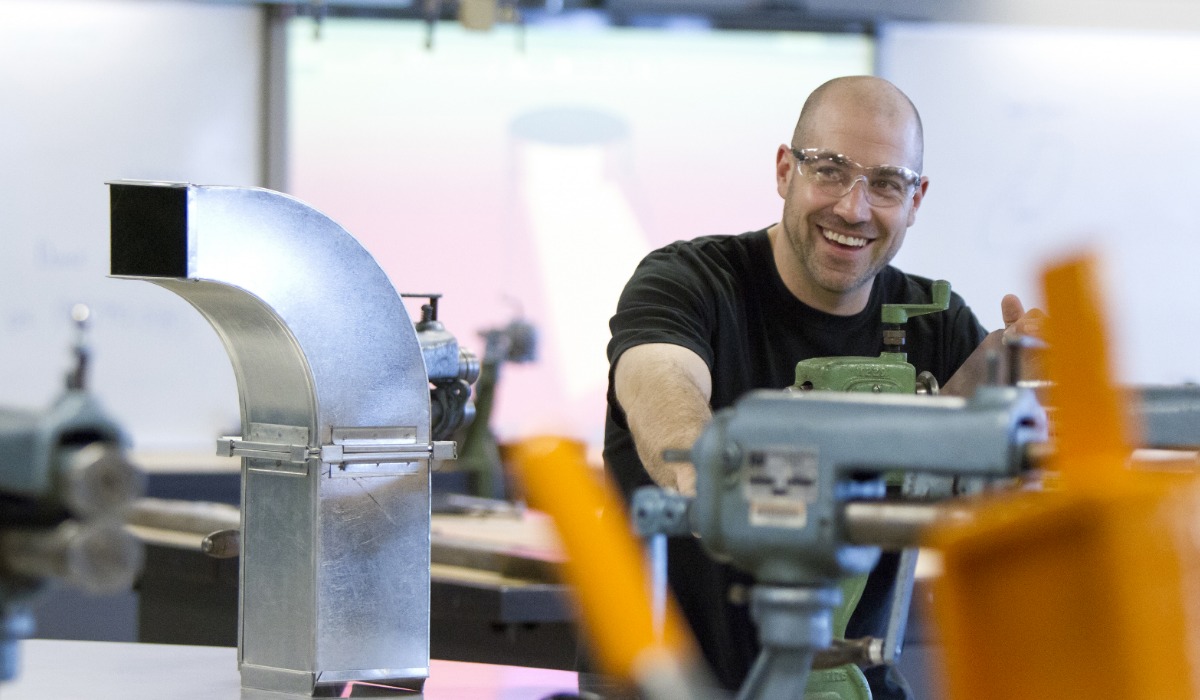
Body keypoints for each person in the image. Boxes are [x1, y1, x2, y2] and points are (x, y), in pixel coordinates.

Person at [602, 75, 1042, 698]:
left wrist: (996, 416)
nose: (853, 208)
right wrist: (703, 474)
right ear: (785, 170)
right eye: (830, 169)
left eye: (886, 183)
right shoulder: (690, 283)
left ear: (916, 200)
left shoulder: (938, 324)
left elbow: (992, 513)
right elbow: (658, 380)